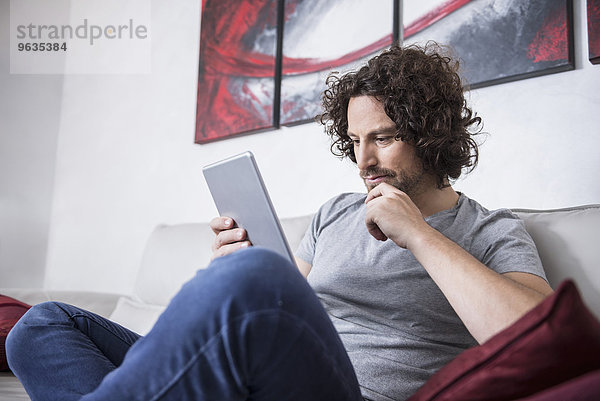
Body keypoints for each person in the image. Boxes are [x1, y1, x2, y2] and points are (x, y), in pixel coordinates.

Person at [7, 43, 552, 401]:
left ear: (432, 135)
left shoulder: (490, 230)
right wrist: (239, 266)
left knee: (256, 280)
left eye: (383, 138)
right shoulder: (335, 213)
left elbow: (537, 344)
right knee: (44, 324)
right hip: (256, 379)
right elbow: (287, 305)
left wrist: (418, 234)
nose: (363, 162)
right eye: (355, 141)